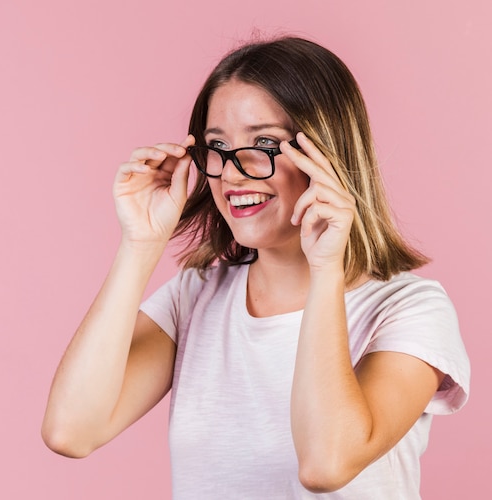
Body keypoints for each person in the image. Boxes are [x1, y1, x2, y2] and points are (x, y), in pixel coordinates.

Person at [42, 36, 470, 498]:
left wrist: (326, 269)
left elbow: (327, 464)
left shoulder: (410, 309)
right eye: (217, 145)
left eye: (264, 142)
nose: (232, 172)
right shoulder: (196, 297)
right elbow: (71, 431)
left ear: (329, 153)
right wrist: (140, 243)